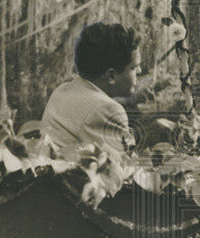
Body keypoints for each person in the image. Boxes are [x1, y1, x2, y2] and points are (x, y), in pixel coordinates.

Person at [42, 22, 141, 156]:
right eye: (134, 67)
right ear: (111, 75)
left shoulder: (62, 90)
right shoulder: (107, 109)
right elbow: (121, 167)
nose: (139, 71)